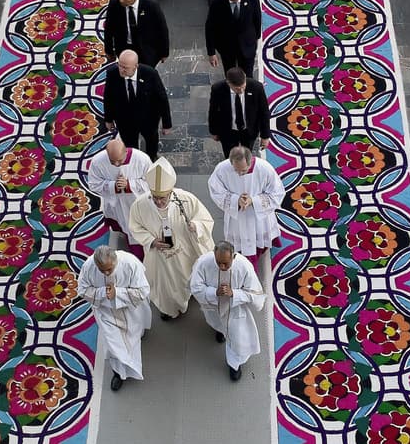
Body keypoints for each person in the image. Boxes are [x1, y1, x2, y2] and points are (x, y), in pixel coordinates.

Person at [128, 157, 215, 321]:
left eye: (163, 198)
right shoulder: (140, 205)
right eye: (155, 198)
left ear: (171, 191)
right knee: (166, 286)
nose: (159, 202)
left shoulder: (185, 199)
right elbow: (135, 226)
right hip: (161, 255)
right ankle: (169, 308)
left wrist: (195, 226)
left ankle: (193, 292)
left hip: (186, 249)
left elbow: (204, 219)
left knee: (192, 274)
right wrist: (151, 241)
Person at [77, 245, 151, 392]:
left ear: (115, 260)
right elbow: (83, 290)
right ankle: (119, 373)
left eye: (109, 269)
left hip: (131, 311)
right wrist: (103, 293)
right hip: (106, 313)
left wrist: (118, 293)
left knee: (133, 339)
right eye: (101, 270)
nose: (105, 273)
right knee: (113, 346)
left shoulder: (130, 263)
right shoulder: (89, 266)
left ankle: (138, 339)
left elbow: (143, 290)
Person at [189, 241, 265, 381]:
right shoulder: (204, 263)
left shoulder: (244, 266)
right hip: (213, 307)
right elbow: (196, 287)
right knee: (217, 323)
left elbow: (255, 293)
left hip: (235, 310)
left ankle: (234, 364)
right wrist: (213, 292)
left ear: (234, 257)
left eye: (226, 264)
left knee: (237, 338)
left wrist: (234, 294)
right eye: (218, 263)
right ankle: (220, 330)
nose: (222, 267)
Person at [207, 145, 283, 264]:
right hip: (237, 220)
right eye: (236, 170)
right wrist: (236, 200)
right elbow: (216, 190)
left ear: (250, 161)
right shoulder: (222, 168)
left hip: (259, 220)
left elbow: (277, 192)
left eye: (243, 170)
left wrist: (253, 200)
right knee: (238, 256)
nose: (239, 174)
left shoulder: (264, 168)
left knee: (262, 258)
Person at [84, 137, 152, 257]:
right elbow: (93, 184)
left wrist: (129, 185)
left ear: (126, 151)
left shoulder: (141, 159)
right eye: (112, 161)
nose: (116, 164)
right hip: (116, 205)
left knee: (138, 232)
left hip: (138, 203)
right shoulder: (98, 161)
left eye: (119, 160)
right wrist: (113, 186)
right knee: (125, 229)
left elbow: (152, 181)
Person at [102, 49, 172, 160]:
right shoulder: (113, 73)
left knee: (151, 141)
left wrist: (166, 123)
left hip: (148, 119)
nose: (121, 70)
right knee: (130, 146)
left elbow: (162, 98)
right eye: (120, 65)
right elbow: (108, 97)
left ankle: (151, 158)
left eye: (125, 68)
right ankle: (134, 160)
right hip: (125, 120)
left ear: (135, 66)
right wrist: (108, 119)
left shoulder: (150, 74)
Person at [101, 0, 170, 68]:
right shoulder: (114, 4)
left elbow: (162, 30)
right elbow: (109, 28)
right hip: (125, 48)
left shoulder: (151, 6)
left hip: (147, 51)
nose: (121, 0)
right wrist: (109, 51)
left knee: (145, 75)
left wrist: (164, 53)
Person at [205, 0, 262, 76]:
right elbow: (210, 28)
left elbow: (257, 18)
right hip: (227, 46)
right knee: (230, 75)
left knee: (248, 75)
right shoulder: (216, 2)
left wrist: (256, 37)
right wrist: (211, 52)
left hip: (247, 44)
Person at [208, 67, 270, 157]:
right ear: (229, 83)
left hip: (249, 131)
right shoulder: (217, 89)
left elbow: (264, 112)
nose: (241, 91)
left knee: (247, 156)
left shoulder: (256, 87)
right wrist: (213, 131)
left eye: (243, 87)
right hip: (228, 131)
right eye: (237, 89)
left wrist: (265, 136)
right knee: (230, 157)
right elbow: (213, 111)